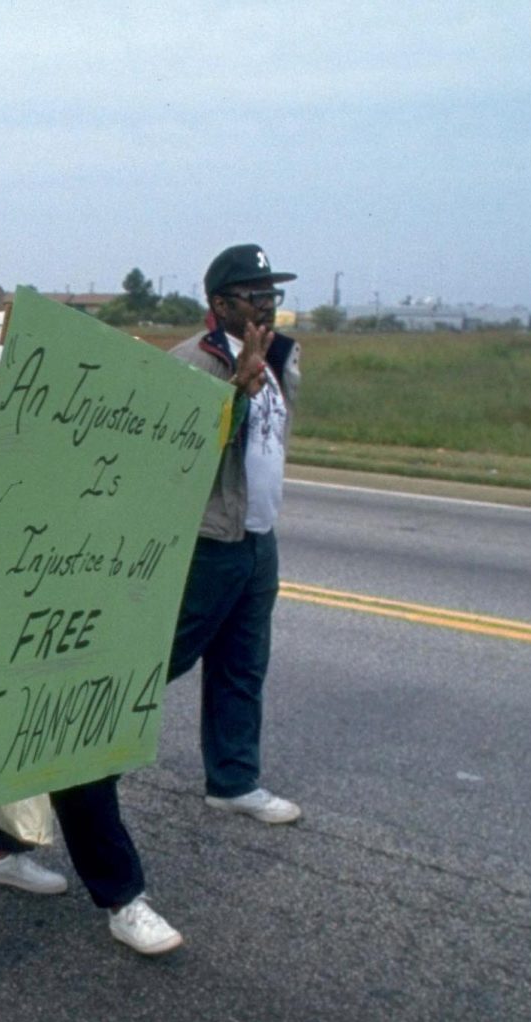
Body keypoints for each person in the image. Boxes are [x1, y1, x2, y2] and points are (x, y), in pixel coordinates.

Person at [164, 244, 302, 824]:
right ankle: (59, 773)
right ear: (220, 303)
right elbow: (184, 449)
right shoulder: (195, 363)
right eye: (256, 295)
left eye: (274, 294)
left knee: (243, 664)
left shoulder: (276, 358)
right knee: (152, 662)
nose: (268, 306)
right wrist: (237, 394)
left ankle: (234, 779)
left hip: (256, 537)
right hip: (206, 541)